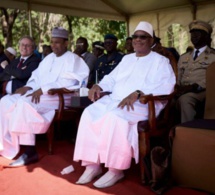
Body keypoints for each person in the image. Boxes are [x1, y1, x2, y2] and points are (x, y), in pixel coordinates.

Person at [73, 21, 175, 188]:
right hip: (115, 99)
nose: (138, 40)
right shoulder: (127, 59)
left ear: (151, 41)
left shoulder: (160, 61)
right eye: (135, 36)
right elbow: (112, 79)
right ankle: (92, 165)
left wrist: (138, 93)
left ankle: (115, 169)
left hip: (142, 104)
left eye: (143, 37)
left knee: (114, 118)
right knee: (89, 113)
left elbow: (167, 86)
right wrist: (99, 86)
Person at [0, 27, 89, 166]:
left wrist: (44, 89)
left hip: (60, 96)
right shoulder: (48, 59)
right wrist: (28, 87)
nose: (53, 45)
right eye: (52, 42)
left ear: (66, 43)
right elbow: (36, 76)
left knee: (24, 103)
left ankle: (30, 150)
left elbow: (73, 82)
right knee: (5, 101)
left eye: (57, 42)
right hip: (40, 93)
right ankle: (7, 145)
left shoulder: (74, 59)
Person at [176, 20, 215, 123]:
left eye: (198, 32)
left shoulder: (213, 56)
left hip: (203, 90)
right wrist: (177, 87)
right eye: (192, 32)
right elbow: (178, 76)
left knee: (185, 100)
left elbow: (212, 79)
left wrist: (194, 87)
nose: (194, 35)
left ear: (206, 36)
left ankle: (188, 133)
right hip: (183, 89)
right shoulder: (184, 57)